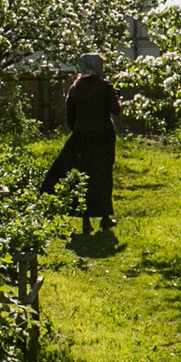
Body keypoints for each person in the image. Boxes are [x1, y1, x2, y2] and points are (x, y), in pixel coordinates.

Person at [42, 54, 124, 234]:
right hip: (102, 135)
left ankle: (85, 220)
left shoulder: (75, 88)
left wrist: (78, 130)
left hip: (81, 136)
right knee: (102, 174)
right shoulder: (105, 86)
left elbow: (70, 117)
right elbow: (116, 110)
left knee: (84, 175)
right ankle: (104, 217)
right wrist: (119, 97)